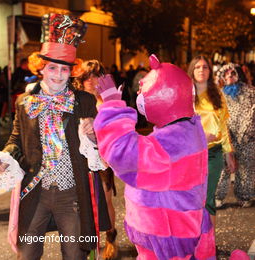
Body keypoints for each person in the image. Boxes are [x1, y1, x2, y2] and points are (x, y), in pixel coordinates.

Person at [0, 13, 110, 260]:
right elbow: (15, 140)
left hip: (72, 195)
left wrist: (95, 134)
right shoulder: (25, 103)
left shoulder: (83, 101)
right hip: (36, 192)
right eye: (52, 67)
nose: (58, 74)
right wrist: (3, 157)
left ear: (70, 71)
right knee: (28, 253)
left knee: (75, 254)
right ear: (41, 68)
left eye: (64, 68)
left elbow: (102, 146)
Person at [93, 55, 215, 259]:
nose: (139, 94)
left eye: (143, 89)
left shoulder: (173, 141)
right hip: (175, 230)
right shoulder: (185, 129)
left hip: (166, 236)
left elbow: (122, 153)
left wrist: (113, 107)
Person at [74, 59, 118, 259]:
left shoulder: (106, 102)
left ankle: (111, 239)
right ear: (81, 78)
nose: (92, 80)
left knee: (106, 199)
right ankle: (90, 246)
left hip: (103, 158)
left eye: (96, 76)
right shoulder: (74, 100)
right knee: (84, 203)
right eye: (88, 76)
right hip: (79, 158)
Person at [187, 56, 236, 226]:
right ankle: (193, 241)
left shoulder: (217, 95)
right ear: (192, 71)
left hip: (213, 155)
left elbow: (223, 126)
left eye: (205, 67)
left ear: (210, 70)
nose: (201, 70)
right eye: (198, 67)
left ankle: (209, 243)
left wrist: (228, 153)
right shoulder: (185, 95)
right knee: (192, 198)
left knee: (207, 197)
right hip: (190, 154)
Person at [215, 63, 255, 208]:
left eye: (232, 74)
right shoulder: (219, 94)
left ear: (238, 75)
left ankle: (245, 195)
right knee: (223, 167)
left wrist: (248, 131)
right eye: (226, 74)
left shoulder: (250, 92)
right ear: (222, 77)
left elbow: (252, 112)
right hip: (227, 137)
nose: (229, 77)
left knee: (246, 167)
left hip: (247, 137)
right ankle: (217, 196)